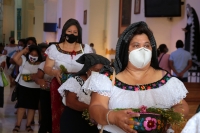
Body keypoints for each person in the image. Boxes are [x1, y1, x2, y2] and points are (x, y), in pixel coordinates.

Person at [83, 21, 189, 133]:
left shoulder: (166, 80)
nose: (142, 50)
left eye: (146, 45)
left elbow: (182, 105)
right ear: (125, 50)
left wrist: (171, 117)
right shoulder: (108, 78)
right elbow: (96, 106)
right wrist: (113, 117)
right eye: (136, 45)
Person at [44, 18, 93, 133]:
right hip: (59, 82)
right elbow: (47, 68)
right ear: (64, 31)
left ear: (79, 34)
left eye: (75, 32)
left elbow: (92, 66)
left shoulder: (85, 49)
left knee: (77, 113)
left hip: (80, 85)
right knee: (59, 113)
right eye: (69, 31)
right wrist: (55, 72)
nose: (72, 34)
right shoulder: (54, 49)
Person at [58, 53, 110, 133]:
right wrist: (94, 109)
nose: (99, 73)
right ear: (87, 69)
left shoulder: (102, 84)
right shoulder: (76, 80)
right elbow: (70, 102)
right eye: (96, 70)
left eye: (102, 71)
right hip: (74, 120)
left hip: (92, 122)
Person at [12, 45, 43, 132]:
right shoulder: (24, 60)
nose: (33, 56)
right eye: (31, 54)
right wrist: (24, 51)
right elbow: (15, 59)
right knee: (21, 106)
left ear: (39, 56)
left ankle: (28, 125)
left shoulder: (41, 64)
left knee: (32, 107)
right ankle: (17, 125)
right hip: (23, 87)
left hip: (35, 88)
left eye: (35, 55)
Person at [32, 43, 53, 133]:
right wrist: (40, 81)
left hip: (61, 93)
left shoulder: (64, 63)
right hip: (46, 92)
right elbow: (37, 77)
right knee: (46, 115)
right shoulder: (44, 64)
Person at [182, 4, 200, 68]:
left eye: (188, 11)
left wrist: (188, 29)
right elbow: (188, 26)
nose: (188, 13)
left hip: (193, 37)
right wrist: (186, 29)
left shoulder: (194, 19)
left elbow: (194, 27)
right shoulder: (189, 19)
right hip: (189, 36)